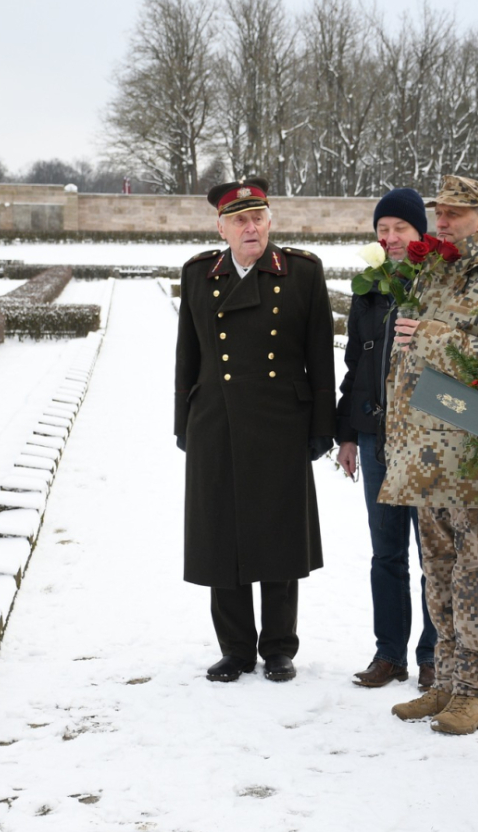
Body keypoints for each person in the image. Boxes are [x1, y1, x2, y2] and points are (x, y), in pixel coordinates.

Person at [379, 175, 478, 735]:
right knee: (437, 574)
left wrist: (436, 338)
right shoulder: (433, 271)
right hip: (426, 453)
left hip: (477, 452)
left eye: (456, 214)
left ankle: (475, 692)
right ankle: (443, 679)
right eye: (440, 212)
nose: (442, 223)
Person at [174, 177, 337, 684]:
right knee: (220, 535)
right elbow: (188, 355)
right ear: (221, 227)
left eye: (258, 218)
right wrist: (184, 422)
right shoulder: (200, 274)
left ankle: (280, 648)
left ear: (271, 221)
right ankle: (236, 648)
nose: (251, 227)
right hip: (216, 421)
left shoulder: (302, 272)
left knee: (279, 535)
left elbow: (319, 355)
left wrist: (320, 425)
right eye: (240, 220)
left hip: (280, 422)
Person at [335, 188, 438, 691]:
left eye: (400, 228)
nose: (391, 237)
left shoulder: (439, 285)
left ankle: (433, 656)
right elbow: (355, 365)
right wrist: (348, 435)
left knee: (433, 556)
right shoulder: (369, 290)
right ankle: (389, 653)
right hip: (376, 438)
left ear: (421, 233)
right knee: (387, 554)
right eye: (383, 230)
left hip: (426, 441)